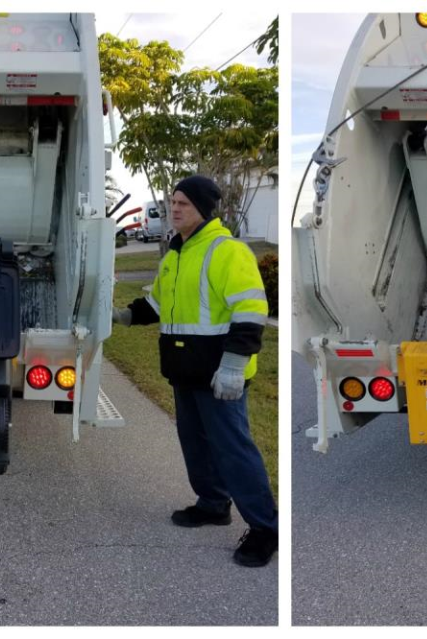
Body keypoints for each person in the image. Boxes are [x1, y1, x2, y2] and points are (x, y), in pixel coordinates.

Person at [114, 175, 280, 564]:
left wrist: (234, 365)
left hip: (220, 373)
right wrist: (122, 316)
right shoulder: (175, 254)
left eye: (183, 203)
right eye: (172, 202)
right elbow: (156, 305)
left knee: (233, 449)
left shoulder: (227, 251)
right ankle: (213, 504)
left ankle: (265, 529)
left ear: (203, 209)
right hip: (184, 370)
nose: (174, 209)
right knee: (195, 443)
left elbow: (251, 309)